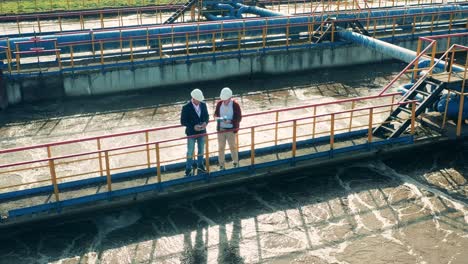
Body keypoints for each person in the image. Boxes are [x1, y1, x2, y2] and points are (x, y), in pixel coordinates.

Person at [180, 89, 209, 176]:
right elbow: (183, 121)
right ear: (193, 98)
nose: (200, 101)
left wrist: (205, 123)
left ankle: (200, 165)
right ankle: (188, 169)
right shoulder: (186, 107)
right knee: (190, 151)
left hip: (202, 132)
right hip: (191, 133)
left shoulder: (203, 105)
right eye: (198, 99)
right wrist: (193, 126)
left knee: (201, 149)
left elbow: (207, 116)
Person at [214, 87, 242, 170]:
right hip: (221, 130)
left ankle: (235, 162)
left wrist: (230, 121)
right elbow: (215, 114)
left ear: (230, 97)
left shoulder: (235, 105)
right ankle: (221, 165)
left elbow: (239, 118)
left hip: (231, 130)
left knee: (232, 146)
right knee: (221, 147)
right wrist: (216, 118)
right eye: (223, 99)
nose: (224, 101)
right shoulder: (219, 104)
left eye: (225, 99)